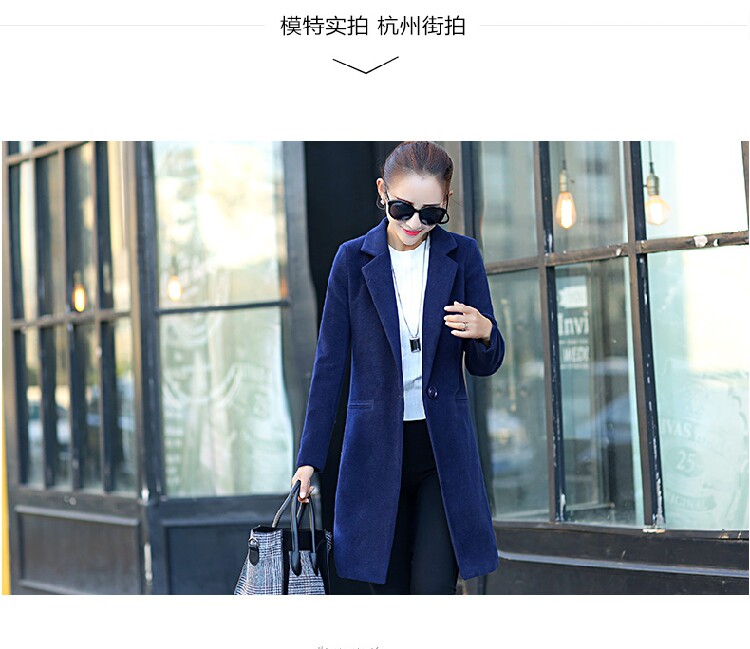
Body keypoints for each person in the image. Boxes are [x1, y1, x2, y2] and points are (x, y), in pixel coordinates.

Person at [291, 141, 505, 595]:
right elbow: (329, 365)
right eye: (402, 208)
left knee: (432, 589)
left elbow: (484, 365)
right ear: (382, 192)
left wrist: (486, 332)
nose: (414, 224)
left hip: (441, 453)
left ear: (446, 203)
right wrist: (309, 459)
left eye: (431, 214)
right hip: (373, 455)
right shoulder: (352, 261)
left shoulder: (462, 256)